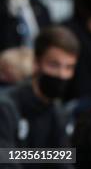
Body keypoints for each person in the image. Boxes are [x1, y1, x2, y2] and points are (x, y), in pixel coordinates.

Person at [0, 26, 79, 169]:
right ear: (36, 63)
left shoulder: (57, 111)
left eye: (69, 67)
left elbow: (63, 162)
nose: (62, 75)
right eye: (54, 65)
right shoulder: (6, 106)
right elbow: (5, 158)